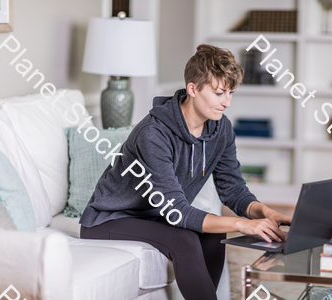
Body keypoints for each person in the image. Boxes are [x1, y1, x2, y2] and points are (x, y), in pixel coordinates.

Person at [79, 44, 292, 300]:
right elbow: (176, 210)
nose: (227, 102)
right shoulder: (153, 134)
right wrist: (243, 224)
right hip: (109, 219)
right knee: (186, 240)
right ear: (193, 89)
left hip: (154, 216)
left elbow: (233, 189)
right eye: (219, 93)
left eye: (231, 93)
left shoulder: (220, 128)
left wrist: (267, 213)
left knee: (214, 236)